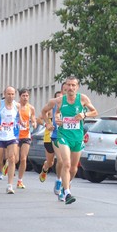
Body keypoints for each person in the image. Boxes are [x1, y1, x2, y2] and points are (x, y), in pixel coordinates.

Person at [40, 76, 98, 205]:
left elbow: (95, 112)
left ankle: (66, 185)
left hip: (77, 137)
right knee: (65, 163)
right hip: (63, 136)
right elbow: (44, 111)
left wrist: (84, 114)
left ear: (77, 87)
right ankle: (67, 193)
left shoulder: (82, 99)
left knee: (73, 169)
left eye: (73, 85)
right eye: (68, 85)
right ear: (65, 87)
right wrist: (49, 124)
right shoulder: (58, 101)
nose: (70, 88)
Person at [0, 86, 21, 194]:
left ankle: (10, 185)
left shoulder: (17, 105)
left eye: (12, 94)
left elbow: (18, 118)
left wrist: (22, 123)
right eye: (8, 94)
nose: (10, 96)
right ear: (4, 94)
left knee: (11, 158)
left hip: (12, 136)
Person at [40, 88, 64, 197]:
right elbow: (39, 118)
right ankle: (45, 169)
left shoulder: (67, 106)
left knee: (61, 160)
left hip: (61, 136)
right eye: (58, 97)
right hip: (48, 137)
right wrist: (47, 124)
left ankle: (61, 182)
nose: (59, 98)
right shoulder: (51, 107)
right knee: (50, 162)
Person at [16, 88, 37, 189]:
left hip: (26, 135)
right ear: (19, 97)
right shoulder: (16, 106)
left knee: (23, 158)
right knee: (14, 158)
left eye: (27, 96)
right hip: (15, 135)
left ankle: (20, 180)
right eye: (23, 96)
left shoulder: (31, 108)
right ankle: (8, 164)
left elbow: (33, 118)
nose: (25, 98)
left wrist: (34, 123)